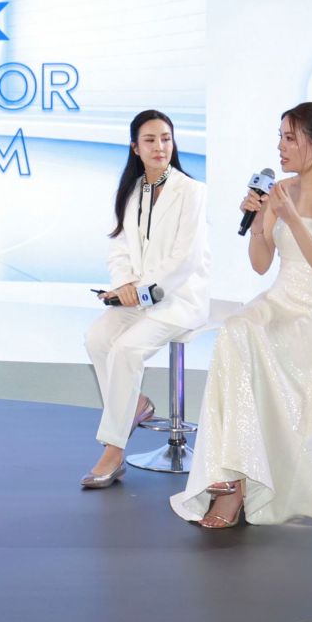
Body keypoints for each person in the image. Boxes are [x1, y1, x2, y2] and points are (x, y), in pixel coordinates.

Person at [171, 101, 312, 529]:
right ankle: (231, 480)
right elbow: (261, 263)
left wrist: (292, 218)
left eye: (290, 138)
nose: (281, 147)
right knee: (235, 330)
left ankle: (239, 482)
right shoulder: (282, 189)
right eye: (280, 137)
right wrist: (259, 221)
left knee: (248, 337)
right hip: (279, 299)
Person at [81, 110, 210, 488]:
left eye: (166, 138)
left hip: (178, 299)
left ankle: (113, 450)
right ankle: (135, 403)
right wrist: (123, 287)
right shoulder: (132, 191)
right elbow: (119, 249)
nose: (160, 146)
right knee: (96, 338)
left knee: (126, 349)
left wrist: (139, 290)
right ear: (135, 148)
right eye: (150, 140)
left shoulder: (192, 191)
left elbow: (184, 260)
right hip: (137, 299)